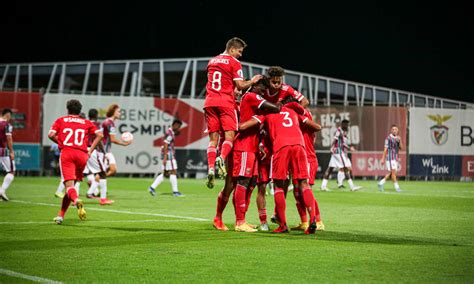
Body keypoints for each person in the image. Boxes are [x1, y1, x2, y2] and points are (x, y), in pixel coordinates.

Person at [241, 98, 318, 234]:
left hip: (281, 146)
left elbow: (245, 126)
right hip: (300, 145)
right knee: (304, 184)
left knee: (278, 186)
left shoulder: (266, 114)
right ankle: (312, 220)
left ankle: (283, 225)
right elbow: (313, 125)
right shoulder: (293, 112)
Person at [204, 37, 262, 189]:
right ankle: (221, 158)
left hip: (209, 102)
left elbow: (219, 81)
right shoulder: (234, 62)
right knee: (229, 136)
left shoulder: (212, 61)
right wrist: (253, 81)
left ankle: (210, 167)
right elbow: (241, 85)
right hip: (225, 103)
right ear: (231, 49)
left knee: (213, 140)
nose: (240, 55)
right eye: (239, 51)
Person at [231, 77, 280, 232]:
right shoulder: (252, 96)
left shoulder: (252, 101)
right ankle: (240, 222)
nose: (264, 93)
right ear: (256, 86)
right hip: (244, 146)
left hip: (252, 148)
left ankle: (242, 219)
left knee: (251, 183)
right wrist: (280, 105)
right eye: (262, 89)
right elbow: (273, 108)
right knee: (243, 182)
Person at [48, 99, 103, 224]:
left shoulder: (61, 120)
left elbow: (51, 135)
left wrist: (61, 143)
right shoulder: (86, 122)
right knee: (71, 187)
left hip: (67, 153)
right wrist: (89, 151)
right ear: (80, 111)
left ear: (68, 110)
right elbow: (100, 135)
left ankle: (77, 200)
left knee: (69, 187)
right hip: (82, 155)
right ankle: (60, 216)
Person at [291, 106, 325, 231]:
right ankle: (304, 221)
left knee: (306, 189)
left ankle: (318, 220)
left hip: (308, 159)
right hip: (298, 159)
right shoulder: (296, 125)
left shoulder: (305, 122)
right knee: (297, 192)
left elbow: (318, 127)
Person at [83, 108, 114, 205]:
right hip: (91, 150)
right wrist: (104, 152)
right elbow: (99, 138)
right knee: (103, 174)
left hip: (80, 149)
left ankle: (73, 199)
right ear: (96, 116)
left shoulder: (84, 124)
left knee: (78, 175)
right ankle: (103, 199)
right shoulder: (96, 125)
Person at [321, 119, 362, 192]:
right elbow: (335, 139)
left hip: (337, 152)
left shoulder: (343, 132)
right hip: (338, 152)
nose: (347, 126)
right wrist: (332, 147)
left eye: (348, 125)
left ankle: (323, 186)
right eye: (346, 125)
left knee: (330, 169)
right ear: (343, 124)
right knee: (345, 167)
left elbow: (343, 144)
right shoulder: (339, 131)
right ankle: (352, 187)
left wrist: (349, 148)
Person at [148, 119, 184, 197]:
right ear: (175, 125)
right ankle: (175, 192)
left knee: (166, 173)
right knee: (173, 171)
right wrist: (165, 157)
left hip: (167, 153)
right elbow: (165, 144)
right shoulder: (170, 133)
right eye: (178, 126)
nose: (179, 128)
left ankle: (152, 187)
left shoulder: (171, 132)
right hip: (168, 154)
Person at [102, 104, 132, 177]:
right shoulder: (110, 123)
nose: (120, 113)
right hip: (104, 151)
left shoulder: (107, 121)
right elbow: (112, 139)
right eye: (118, 111)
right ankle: (94, 183)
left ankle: (96, 182)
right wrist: (124, 144)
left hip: (106, 150)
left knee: (112, 170)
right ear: (113, 112)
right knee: (110, 170)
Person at [378, 125, 403, 192]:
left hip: (395, 158)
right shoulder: (388, 138)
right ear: (391, 130)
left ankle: (381, 183)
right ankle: (397, 188)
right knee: (393, 174)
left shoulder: (398, 138)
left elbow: (401, 148)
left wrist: (399, 141)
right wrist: (383, 158)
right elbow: (385, 149)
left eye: (396, 129)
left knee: (392, 173)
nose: (394, 130)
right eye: (393, 129)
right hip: (390, 158)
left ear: (398, 131)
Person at [0, 108, 15, 201]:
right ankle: (2, 191)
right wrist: (11, 151)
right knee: (11, 172)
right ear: (8, 115)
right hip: (2, 150)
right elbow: (9, 139)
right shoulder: (6, 125)